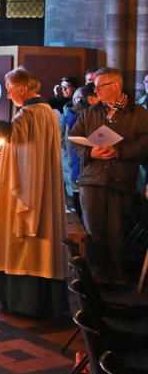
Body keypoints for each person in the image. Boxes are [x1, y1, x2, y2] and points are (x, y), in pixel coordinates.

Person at [0, 67, 67, 319]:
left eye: (8, 91)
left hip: (28, 191)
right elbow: (28, 148)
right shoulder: (47, 112)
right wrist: (7, 151)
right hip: (37, 184)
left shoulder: (31, 112)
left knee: (24, 241)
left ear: (21, 90)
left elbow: (9, 131)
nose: (8, 96)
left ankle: (26, 301)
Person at [70, 67, 148, 283]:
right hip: (92, 179)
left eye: (99, 85)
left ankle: (115, 276)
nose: (95, 90)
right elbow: (74, 137)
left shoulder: (138, 114)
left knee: (116, 230)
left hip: (121, 179)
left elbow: (145, 142)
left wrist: (119, 151)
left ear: (115, 86)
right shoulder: (90, 112)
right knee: (93, 229)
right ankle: (95, 276)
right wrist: (89, 151)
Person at [59, 86, 98, 219]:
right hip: (82, 167)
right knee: (87, 215)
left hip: (78, 170)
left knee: (84, 213)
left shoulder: (77, 112)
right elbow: (66, 140)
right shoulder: (80, 114)